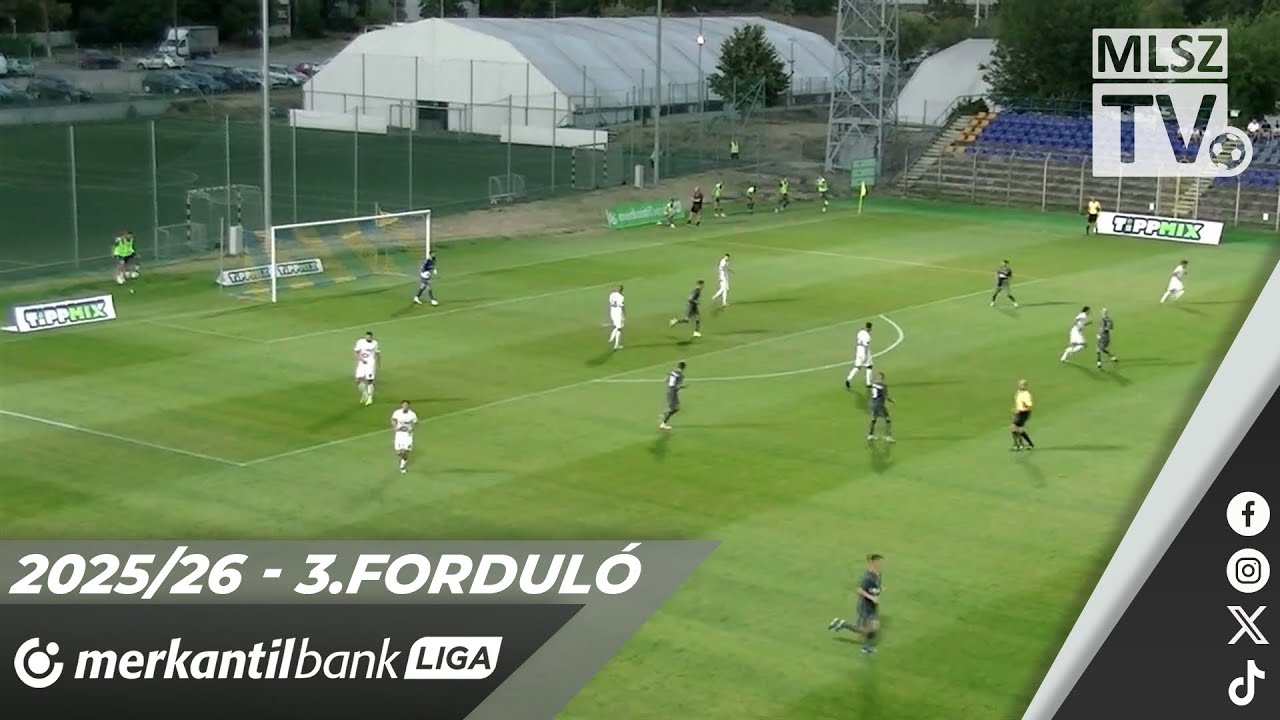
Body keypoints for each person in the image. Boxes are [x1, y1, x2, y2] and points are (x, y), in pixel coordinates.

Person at [828, 554, 885, 655]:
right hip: (865, 607)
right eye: (878, 562)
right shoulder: (868, 577)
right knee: (864, 629)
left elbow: (874, 588)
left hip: (872, 606)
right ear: (872, 563)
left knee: (874, 627)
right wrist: (872, 597)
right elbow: (859, 590)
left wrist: (879, 590)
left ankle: (866, 647)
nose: (880, 564)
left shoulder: (878, 575)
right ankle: (843, 624)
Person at [390, 400, 419, 474]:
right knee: (399, 452)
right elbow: (393, 419)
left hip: (408, 435)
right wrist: (395, 426)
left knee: (406, 451)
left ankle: (402, 466)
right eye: (404, 405)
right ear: (401, 405)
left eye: (406, 405)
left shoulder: (412, 414)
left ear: (409, 406)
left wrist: (411, 428)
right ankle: (403, 457)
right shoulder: (397, 412)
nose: (405, 406)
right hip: (399, 434)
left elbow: (415, 422)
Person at [353, 331, 380, 406]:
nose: (369, 338)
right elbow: (356, 352)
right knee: (357, 380)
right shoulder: (360, 342)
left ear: (372, 337)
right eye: (367, 336)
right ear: (365, 336)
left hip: (370, 364)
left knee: (369, 381)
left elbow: (377, 354)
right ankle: (365, 394)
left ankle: (370, 398)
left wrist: (378, 364)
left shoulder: (375, 343)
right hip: (361, 363)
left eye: (370, 337)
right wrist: (360, 359)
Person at [845, 322, 874, 389]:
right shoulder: (868, 336)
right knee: (869, 366)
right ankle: (868, 383)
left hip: (858, 350)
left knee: (857, 366)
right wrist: (866, 356)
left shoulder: (860, 332)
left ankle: (848, 379)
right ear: (870, 328)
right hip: (864, 351)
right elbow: (866, 345)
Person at [866, 372, 894, 442]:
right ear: (883, 378)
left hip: (873, 404)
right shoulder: (883, 386)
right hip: (879, 405)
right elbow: (886, 397)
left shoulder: (873, 385)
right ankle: (888, 436)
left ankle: (870, 435)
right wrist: (892, 400)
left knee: (874, 419)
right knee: (887, 419)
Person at [659, 361, 686, 430]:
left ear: (678, 366)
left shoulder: (672, 372)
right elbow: (677, 387)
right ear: (683, 368)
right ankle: (663, 423)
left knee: (676, 407)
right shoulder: (680, 375)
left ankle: (664, 416)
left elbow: (665, 380)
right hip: (672, 393)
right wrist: (683, 387)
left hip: (669, 391)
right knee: (673, 408)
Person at [1011, 379, 1035, 451]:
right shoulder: (1019, 392)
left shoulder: (1026, 394)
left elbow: (1029, 406)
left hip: (1024, 413)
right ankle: (1027, 444)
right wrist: (1016, 409)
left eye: (1021, 385)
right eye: (1019, 384)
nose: (1020, 385)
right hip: (1020, 412)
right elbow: (1019, 403)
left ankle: (1017, 445)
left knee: (1013, 427)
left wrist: (1021, 410)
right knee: (1019, 430)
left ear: (1025, 386)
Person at [607, 285, 625, 350]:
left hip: (612, 311)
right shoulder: (621, 297)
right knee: (619, 328)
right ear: (621, 290)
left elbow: (610, 303)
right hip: (618, 312)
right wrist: (624, 314)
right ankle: (613, 339)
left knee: (617, 326)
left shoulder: (612, 294)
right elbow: (622, 306)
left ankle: (614, 342)